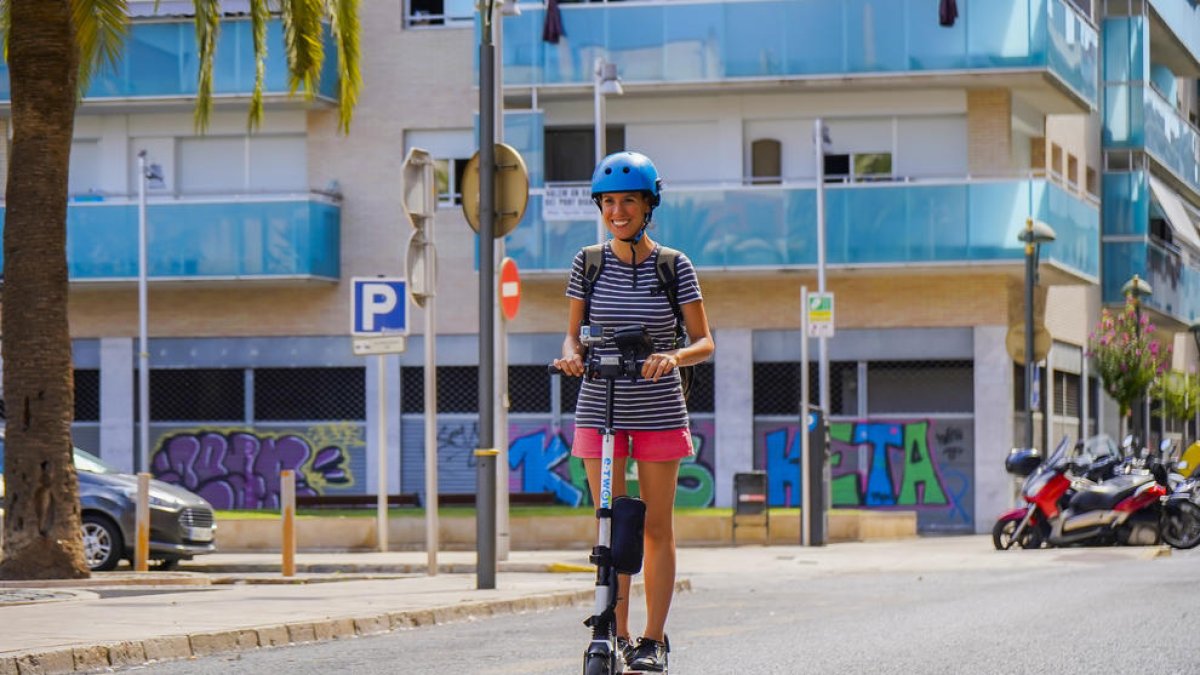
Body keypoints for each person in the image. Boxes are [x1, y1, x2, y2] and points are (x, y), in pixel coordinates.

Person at [552, 151, 715, 672]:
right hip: (600, 407)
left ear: (649, 206)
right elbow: (573, 334)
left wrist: (673, 355)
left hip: (659, 410)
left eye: (628, 201)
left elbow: (705, 341)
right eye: (609, 202)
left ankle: (652, 639)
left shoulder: (675, 266)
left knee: (655, 528)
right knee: (611, 525)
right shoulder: (588, 262)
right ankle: (614, 634)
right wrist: (573, 356)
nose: (617, 211)